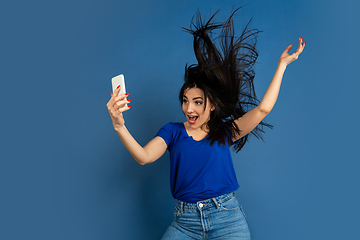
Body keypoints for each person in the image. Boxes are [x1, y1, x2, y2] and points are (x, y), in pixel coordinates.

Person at [106, 8, 305, 240]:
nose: (189, 108)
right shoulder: (172, 132)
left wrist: (282, 65)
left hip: (227, 218)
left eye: (197, 102)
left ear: (211, 105)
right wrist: (119, 126)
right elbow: (143, 157)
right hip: (185, 222)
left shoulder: (225, 132)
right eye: (185, 101)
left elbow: (263, 109)